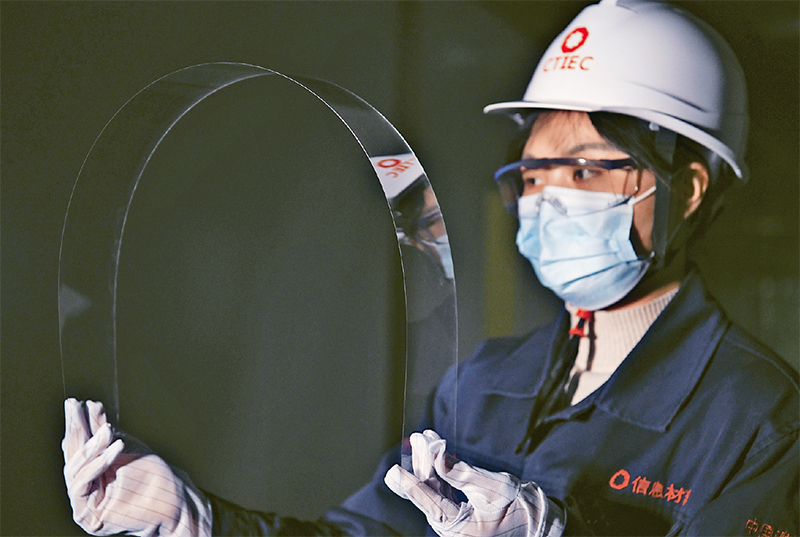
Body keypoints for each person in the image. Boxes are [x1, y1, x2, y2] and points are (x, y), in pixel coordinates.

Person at [62, 0, 799, 535]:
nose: (548, 201)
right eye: (533, 175)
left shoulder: (761, 421)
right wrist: (194, 522)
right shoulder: (484, 384)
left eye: (584, 170)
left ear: (686, 191)